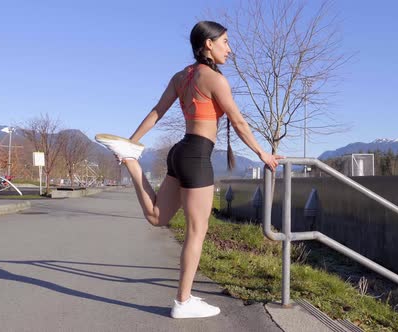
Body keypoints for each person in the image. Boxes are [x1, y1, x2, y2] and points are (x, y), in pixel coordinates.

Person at [95, 21, 282, 319]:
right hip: (196, 156)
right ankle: (183, 301)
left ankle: (132, 163)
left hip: (180, 152)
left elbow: (157, 112)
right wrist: (263, 155)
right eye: (225, 42)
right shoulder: (215, 80)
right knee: (197, 231)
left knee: (158, 217)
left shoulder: (182, 77)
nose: (229, 49)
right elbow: (238, 121)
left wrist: (132, 143)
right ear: (208, 43)